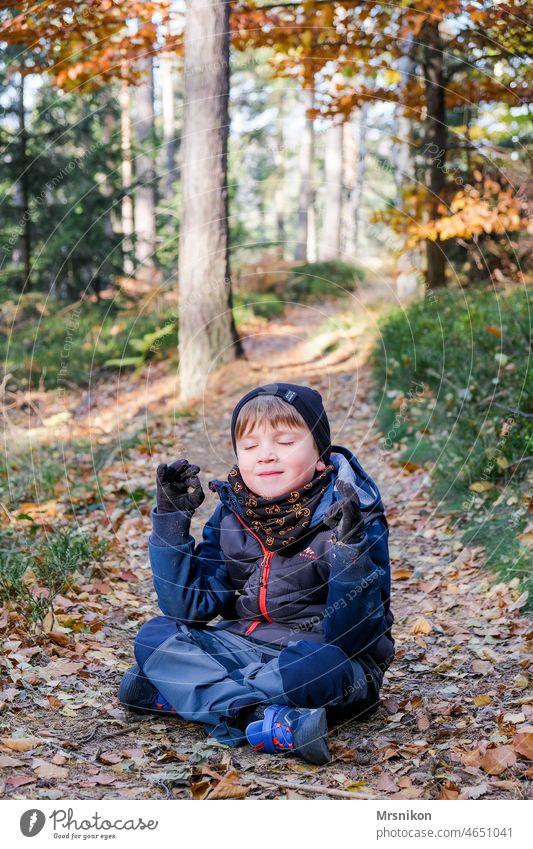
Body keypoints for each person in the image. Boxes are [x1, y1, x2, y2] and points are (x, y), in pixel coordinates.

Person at [118, 382, 394, 765]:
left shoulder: (352, 516)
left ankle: (186, 694)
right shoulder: (232, 514)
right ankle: (255, 718)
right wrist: (171, 521)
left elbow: (354, 638)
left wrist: (350, 554)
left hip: (324, 661)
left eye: (284, 442)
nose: (265, 456)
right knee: (155, 636)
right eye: (250, 446)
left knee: (314, 666)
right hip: (244, 649)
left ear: (321, 456)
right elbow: (188, 609)